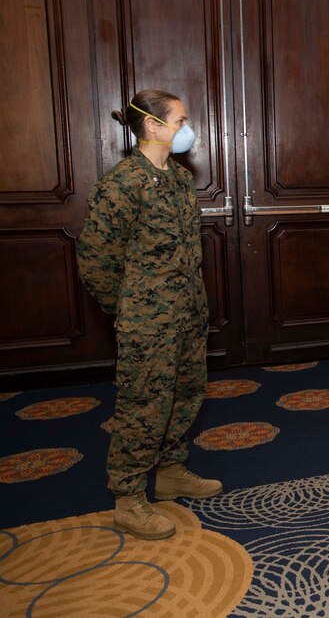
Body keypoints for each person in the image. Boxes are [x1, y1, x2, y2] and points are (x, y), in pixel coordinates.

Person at [77, 89, 222, 541]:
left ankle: (171, 471)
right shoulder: (122, 184)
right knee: (143, 407)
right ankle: (128, 498)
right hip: (148, 321)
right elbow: (95, 260)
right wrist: (128, 308)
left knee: (186, 393)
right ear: (153, 126)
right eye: (179, 121)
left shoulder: (178, 180)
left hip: (188, 312)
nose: (186, 129)